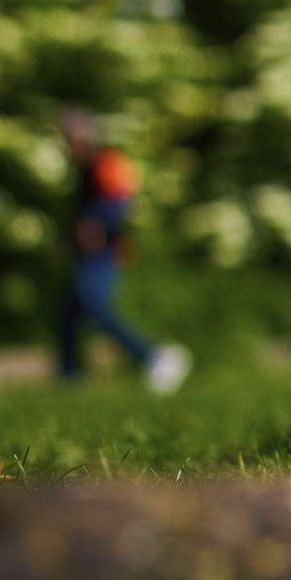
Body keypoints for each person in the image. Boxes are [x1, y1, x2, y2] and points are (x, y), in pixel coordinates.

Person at [57, 111, 190, 392]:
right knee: (69, 312)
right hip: (86, 252)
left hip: (105, 250)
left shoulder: (106, 162)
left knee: (94, 306)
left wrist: (97, 226)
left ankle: (154, 356)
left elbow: (121, 202)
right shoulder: (81, 170)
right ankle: (67, 376)